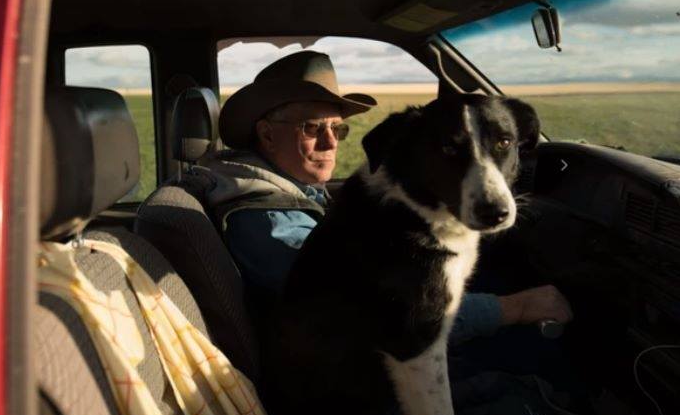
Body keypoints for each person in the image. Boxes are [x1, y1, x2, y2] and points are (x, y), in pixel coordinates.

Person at [200, 50, 573, 342]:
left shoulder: (291, 192)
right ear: (266, 135)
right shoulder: (266, 215)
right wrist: (517, 308)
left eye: (338, 129)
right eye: (313, 128)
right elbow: (371, 317)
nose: (330, 143)